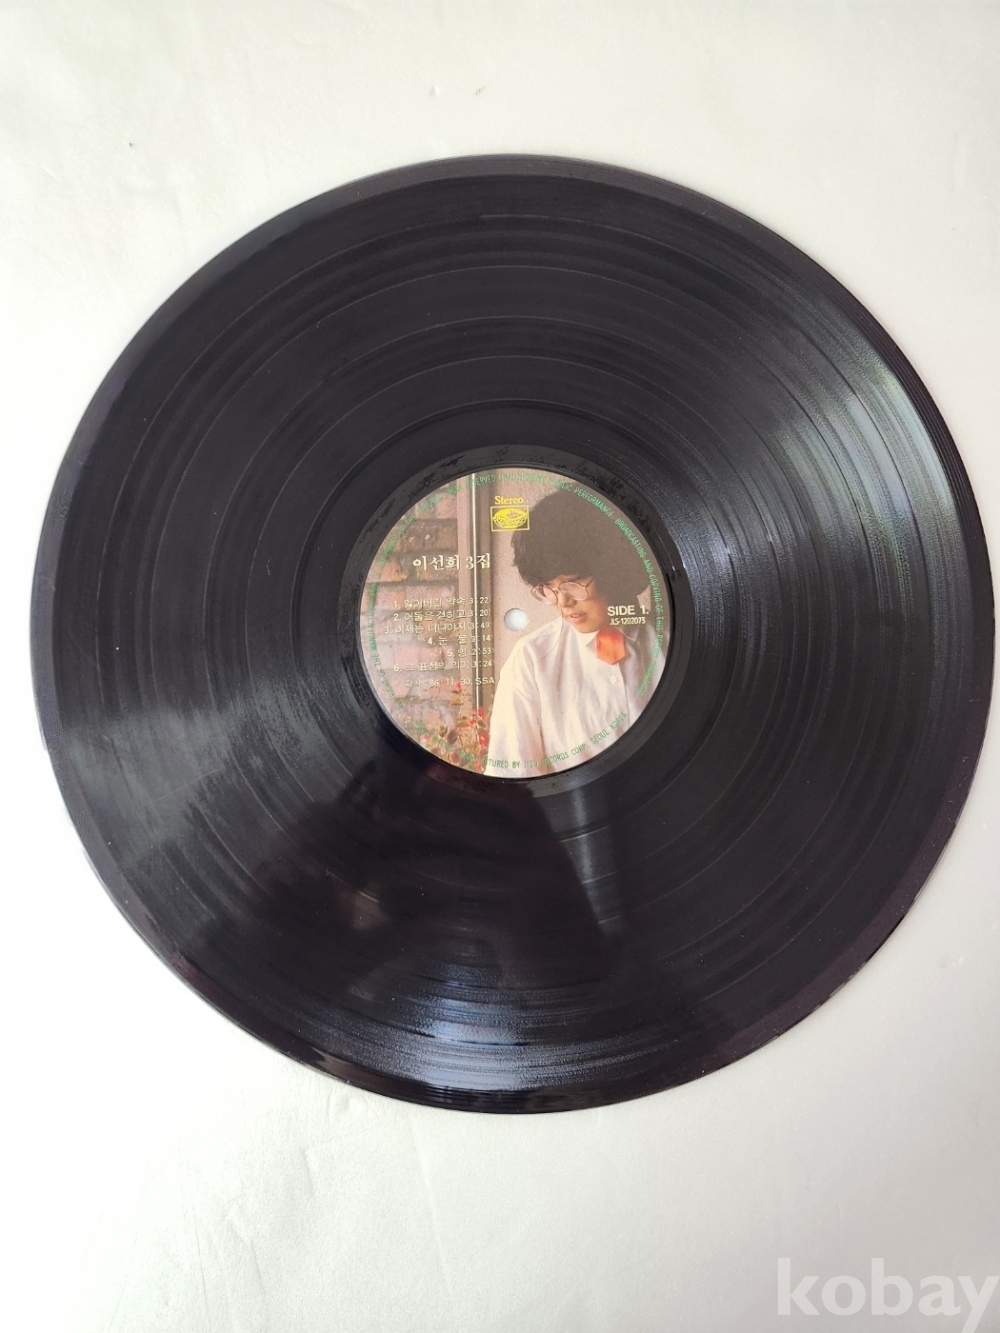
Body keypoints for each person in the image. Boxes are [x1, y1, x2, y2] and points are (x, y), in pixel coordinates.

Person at [486, 489, 666, 776]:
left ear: (612, 568)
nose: (563, 602)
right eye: (549, 588)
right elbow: (512, 785)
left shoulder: (668, 643)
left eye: (574, 582)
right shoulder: (530, 662)